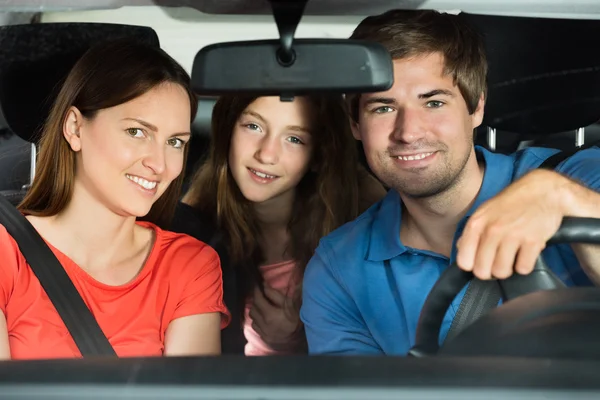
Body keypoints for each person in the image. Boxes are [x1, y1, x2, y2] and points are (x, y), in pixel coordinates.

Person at [300, 9, 600, 355]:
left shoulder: (579, 178)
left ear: (476, 109)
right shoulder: (338, 268)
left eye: (434, 102)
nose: (409, 132)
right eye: (383, 108)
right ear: (355, 125)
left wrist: (566, 199)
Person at [0, 40, 230, 360]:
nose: (160, 165)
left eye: (175, 142)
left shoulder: (188, 265)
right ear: (75, 128)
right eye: (137, 132)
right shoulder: (5, 253)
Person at [170, 94, 387, 355]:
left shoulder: (358, 215)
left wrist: (299, 339)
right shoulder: (196, 217)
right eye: (254, 127)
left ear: (317, 156)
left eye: (294, 139)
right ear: (228, 129)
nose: (267, 154)